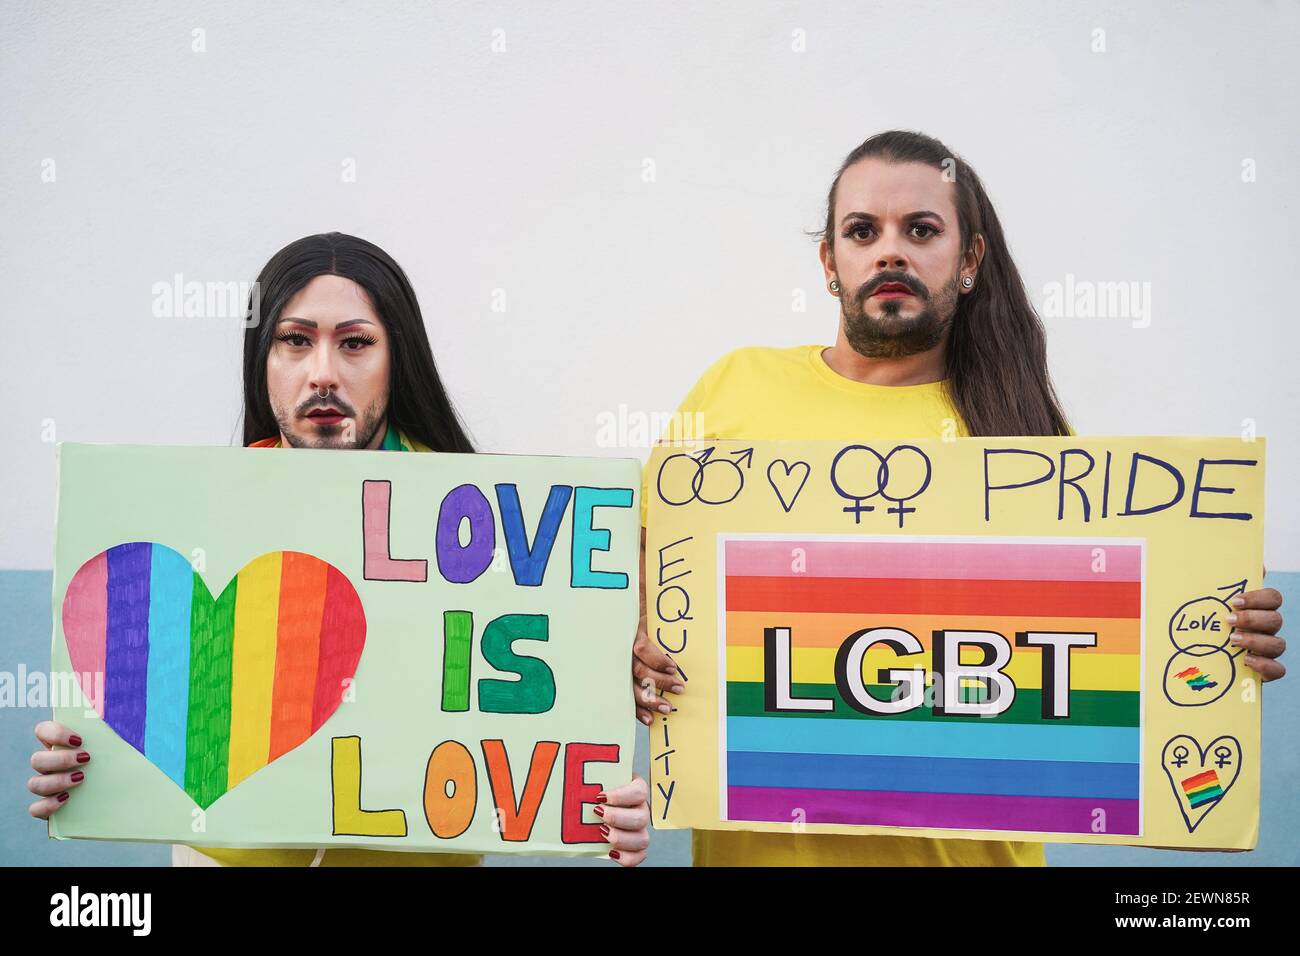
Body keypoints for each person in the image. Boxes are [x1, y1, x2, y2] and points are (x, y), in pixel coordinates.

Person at [631, 130, 1287, 866]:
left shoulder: (1035, 446)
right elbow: (645, 587)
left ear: (969, 259)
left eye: (921, 230)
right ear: (830, 263)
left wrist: (1224, 636)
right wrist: (634, 646)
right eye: (862, 231)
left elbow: (1115, 662)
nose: (890, 252)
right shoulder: (733, 388)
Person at [29, 232, 652, 867]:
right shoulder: (189, 517)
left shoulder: (498, 528)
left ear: (395, 358)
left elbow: (556, 722)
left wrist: (605, 805)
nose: (322, 372)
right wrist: (88, 770)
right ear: (263, 359)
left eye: (354, 342)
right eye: (295, 340)